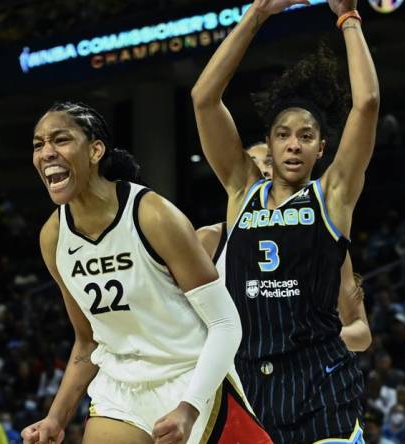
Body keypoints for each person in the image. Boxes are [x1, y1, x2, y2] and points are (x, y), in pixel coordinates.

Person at [22, 101, 271, 444]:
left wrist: (189, 407)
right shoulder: (53, 237)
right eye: (38, 144)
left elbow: (226, 324)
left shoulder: (152, 215)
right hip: (120, 388)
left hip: (190, 379)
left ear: (95, 150)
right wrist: (55, 418)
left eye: (60, 140)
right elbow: (88, 340)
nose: (47, 152)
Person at [191, 0, 379, 440]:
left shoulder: (331, 197)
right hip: (249, 380)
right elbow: (203, 98)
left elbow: (366, 103)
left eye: (306, 136)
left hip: (322, 379)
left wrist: (348, 18)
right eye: (283, 134)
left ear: (321, 150)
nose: (294, 145)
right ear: (269, 148)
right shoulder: (242, 193)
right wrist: (257, 13)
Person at [196, 146, 371, 354]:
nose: (263, 169)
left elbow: (362, 335)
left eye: (269, 162)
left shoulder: (323, 238)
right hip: (231, 373)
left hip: (305, 374)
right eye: (253, 163)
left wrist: (315, 337)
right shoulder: (209, 240)